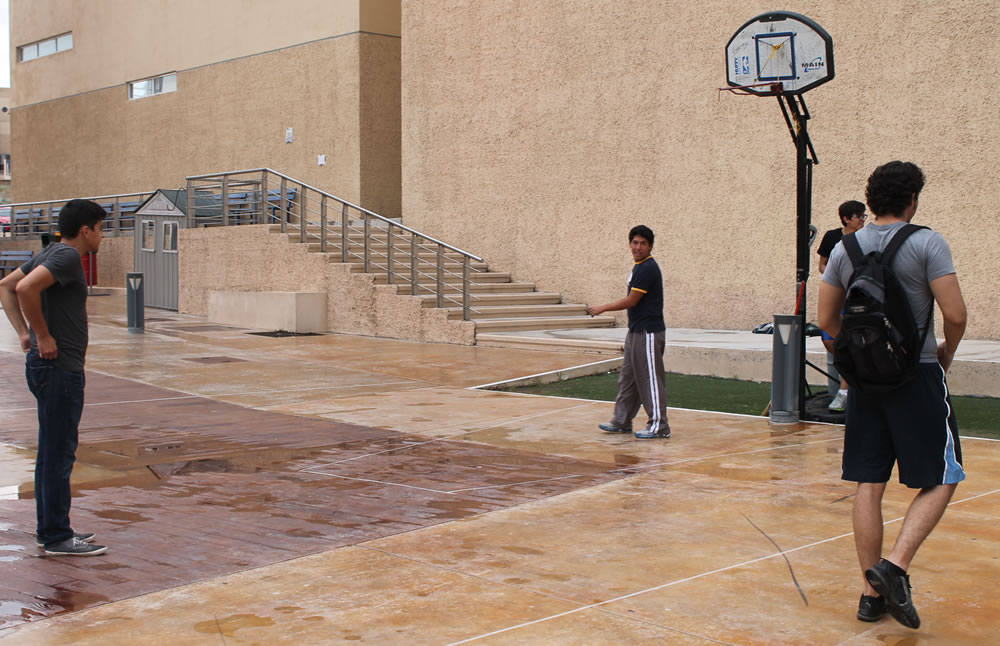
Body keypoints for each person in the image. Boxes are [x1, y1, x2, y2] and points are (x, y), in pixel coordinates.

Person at [818, 162, 966, 629]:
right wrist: (944, 352)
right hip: (916, 375)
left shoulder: (846, 247)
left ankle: (869, 595)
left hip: (866, 383)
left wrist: (866, 357)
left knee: (870, 481)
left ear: (871, 199)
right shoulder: (927, 242)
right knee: (944, 474)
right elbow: (956, 314)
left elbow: (826, 320)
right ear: (913, 200)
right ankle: (894, 567)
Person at [0, 199, 109, 556]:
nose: (101, 236)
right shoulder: (66, 257)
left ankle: (50, 528)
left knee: (51, 452)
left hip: (48, 367)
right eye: (100, 228)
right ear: (85, 230)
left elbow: (6, 284)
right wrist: (41, 336)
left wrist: (24, 333)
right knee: (59, 453)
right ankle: (57, 536)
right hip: (59, 369)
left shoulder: (49, 252)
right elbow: (22, 289)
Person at [587, 225, 669, 439]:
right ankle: (621, 421)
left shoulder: (648, 268)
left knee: (650, 380)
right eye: (634, 242)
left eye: (643, 243)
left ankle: (659, 426)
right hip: (635, 331)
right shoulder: (639, 267)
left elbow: (632, 300)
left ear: (650, 246)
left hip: (649, 333)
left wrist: (602, 307)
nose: (638, 247)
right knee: (629, 378)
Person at [817, 200, 867, 412]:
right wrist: (835, 278)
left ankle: (844, 392)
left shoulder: (866, 239)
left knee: (853, 342)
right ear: (847, 218)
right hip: (837, 295)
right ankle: (851, 378)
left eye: (864, 216)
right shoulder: (832, 237)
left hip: (858, 299)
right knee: (830, 340)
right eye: (859, 216)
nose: (863, 220)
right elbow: (822, 265)